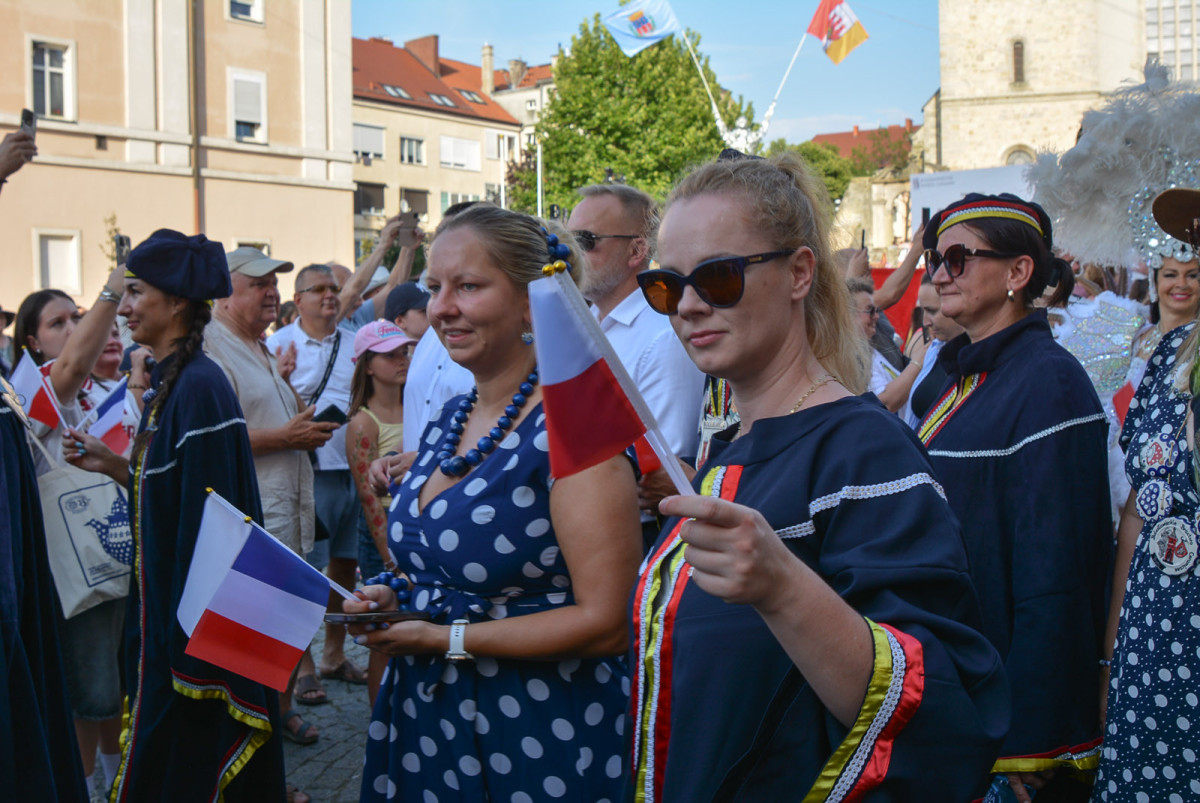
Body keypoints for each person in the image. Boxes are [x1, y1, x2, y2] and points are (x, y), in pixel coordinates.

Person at [629, 151, 1007, 800]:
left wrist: (782, 586)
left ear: (800, 271)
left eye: (718, 277)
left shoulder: (864, 450)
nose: (687, 306)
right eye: (665, 285)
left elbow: (944, 706)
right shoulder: (730, 446)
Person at [344, 205, 643, 801]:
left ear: (534, 303)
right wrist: (396, 595)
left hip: (535, 728)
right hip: (430, 718)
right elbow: (440, 565)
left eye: (469, 286)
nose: (441, 307)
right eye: (434, 288)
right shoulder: (449, 420)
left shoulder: (572, 433)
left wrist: (445, 639)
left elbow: (608, 623)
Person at [66, 229, 285, 799]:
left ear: (179, 303)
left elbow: (213, 524)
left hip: (188, 635)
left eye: (137, 293)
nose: (127, 307)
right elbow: (173, 497)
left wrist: (184, 645)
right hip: (165, 616)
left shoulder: (201, 388)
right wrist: (117, 466)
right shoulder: (175, 382)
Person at [919, 194, 1111, 801]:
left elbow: (1059, 570)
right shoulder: (957, 375)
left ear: (1018, 273)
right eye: (933, 259)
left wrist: (1034, 735)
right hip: (954, 679)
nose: (938, 275)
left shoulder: (1049, 381)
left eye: (956, 258)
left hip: (1005, 710)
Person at [205, 245, 336, 783]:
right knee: (253, 647)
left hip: (283, 517)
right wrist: (286, 434)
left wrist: (294, 419)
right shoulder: (213, 348)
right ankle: (254, 765)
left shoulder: (253, 344)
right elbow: (216, 439)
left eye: (274, 283)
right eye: (257, 283)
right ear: (222, 292)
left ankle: (277, 719)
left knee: (278, 634)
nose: (271, 293)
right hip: (253, 523)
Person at [1092, 186, 1200, 803]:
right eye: (1174, 269)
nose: (1181, 281)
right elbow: (1139, 506)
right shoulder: (1160, 359)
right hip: (1151, 628)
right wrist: (1112, 653)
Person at [14, 267, 138, 801]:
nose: (71, 328)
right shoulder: (29, 387)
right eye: (57, 322)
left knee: (112, 687)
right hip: (71, 568)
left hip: (113, 556)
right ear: (31, 340)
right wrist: (112, 290)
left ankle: (116, 781)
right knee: (88, 692)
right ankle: (84, 789)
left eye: (76, 318)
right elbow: (70, 367)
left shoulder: (100, 391)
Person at [569, 183, 706, 545]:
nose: (571, 253)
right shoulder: (586, 323)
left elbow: (662, 479)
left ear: (637, 249)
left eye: (585, 240)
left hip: (631, 538)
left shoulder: (663, 337)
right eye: (567, 239)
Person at [267, 264, 367, 692]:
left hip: (355, 467)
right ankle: (302, 665)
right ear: (299, 298)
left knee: (345, 564)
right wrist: (285, 381)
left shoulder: (356, 343)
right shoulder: (277, 344)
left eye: (334, 288)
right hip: (309, 471)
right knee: (306, 568)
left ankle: (334, 653)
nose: (329, 295)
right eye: (318, 289)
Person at [343, 320, 415, 703]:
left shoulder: (417, 403)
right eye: (390, 355)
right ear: (368, 365)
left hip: (415, 527)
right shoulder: (361, 423)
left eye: (404, 351)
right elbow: (370, 503)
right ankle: (379, 727)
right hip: (384, 537)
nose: (401, 360)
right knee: (383, 637)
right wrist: (390, 559)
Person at [847, 275, 928, 413]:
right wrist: (919, 361)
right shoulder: (848, 358)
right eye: (870, 310)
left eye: (877, 311)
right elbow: (885, 403)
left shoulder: (872, 349)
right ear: (847, 314)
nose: (877, 317)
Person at [901, 276, 964, 427]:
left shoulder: (975, 360)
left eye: (932, 311)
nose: (925, 321)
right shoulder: (935, 349)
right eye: (922, 310)